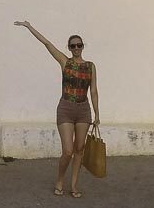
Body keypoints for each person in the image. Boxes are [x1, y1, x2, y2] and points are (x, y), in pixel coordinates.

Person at [14, 20, 100, 198]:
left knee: (80, 149)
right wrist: (29, 27)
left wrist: (97, 113)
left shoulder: (90, 66)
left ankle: (74, 184)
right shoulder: (64, 61)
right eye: (73, 45)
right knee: (68, 150)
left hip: (84, 110)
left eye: (79, 45)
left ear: (83, 46)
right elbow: (47, 43)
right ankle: (60, 179)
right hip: (66, 108)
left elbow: (94, 91)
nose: (76, 48)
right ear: (69, 48)